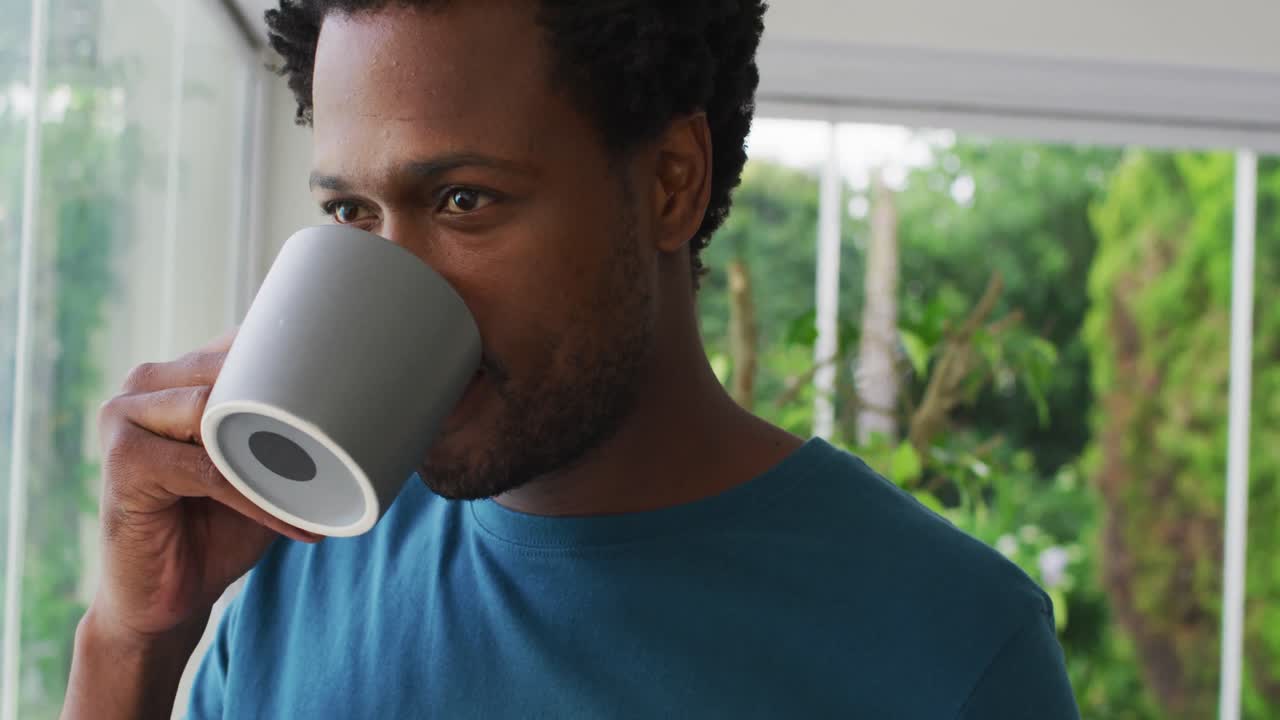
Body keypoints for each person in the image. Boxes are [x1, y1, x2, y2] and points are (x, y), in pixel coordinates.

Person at [62, 1, 1080, 718]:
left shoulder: (945, 648)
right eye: (348, 211)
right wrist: (128, 645)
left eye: (462, 200)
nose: (392, 279)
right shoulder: (291, 577)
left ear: (671, 185)